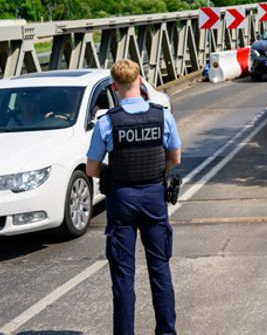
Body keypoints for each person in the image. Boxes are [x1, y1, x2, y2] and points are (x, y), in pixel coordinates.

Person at [86, 60, 182, 335]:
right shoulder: (162, 116)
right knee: (160, 271)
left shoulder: (107, 123)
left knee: (123, 277)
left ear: (114, 88)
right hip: (154, 198)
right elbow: (175, 158)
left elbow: (92, 169)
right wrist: (153, 170)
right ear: (140, 82)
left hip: (121, 200)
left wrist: (117, 170)